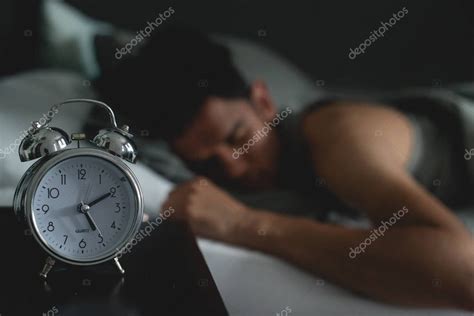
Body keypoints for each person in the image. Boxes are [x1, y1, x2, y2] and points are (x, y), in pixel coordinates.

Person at [96, 28, 474, 310]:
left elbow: (461, 270)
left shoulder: (340, 138)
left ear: (263, 101)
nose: (235, 167)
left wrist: (245, 225)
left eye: (237, 136)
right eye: (206, 162)